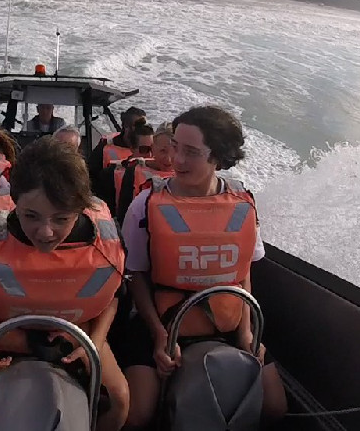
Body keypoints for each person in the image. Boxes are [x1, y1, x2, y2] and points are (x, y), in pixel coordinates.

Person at [0, 137, 130, 431]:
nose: (45, 231)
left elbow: (114, 294)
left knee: (120, 399)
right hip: (0, 329)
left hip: (75, 334)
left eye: (60, 219)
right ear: (16, 202)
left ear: (79, 209)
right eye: (31, 216)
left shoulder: (104, 241)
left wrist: (97, 340)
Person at [116, 106, 287, 429]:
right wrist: (159, 336)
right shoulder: (146, 204)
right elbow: (136, 276)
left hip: (229, 323)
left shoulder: (242, 203)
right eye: (176, 147)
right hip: (160, 322)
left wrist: (247, 331)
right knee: (139, 414)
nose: (177, 160)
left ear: (218, 158)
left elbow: (242, 272)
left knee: (275, 406)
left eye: (191, 152)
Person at [113, 121, 175, 224]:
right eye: (163, 151)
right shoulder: (133, 172)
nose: (168, 159)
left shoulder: (189, 177)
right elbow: (123, 215)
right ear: (153, 149)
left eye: (174, 151)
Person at [95, 121, 155, 216]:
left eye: (153, 149)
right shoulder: (110, 175)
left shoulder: (164, 176)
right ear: (132, 148)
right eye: (144, 149)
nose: (150, 154)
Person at [88, 106, 146, 186]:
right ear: (126, 126)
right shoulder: (105, 146)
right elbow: (90, 175)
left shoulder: (150, 148)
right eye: (138, 125)